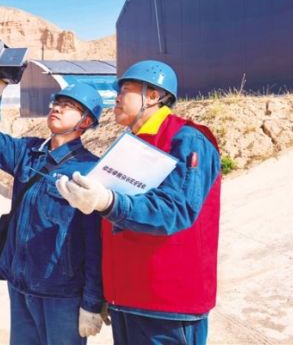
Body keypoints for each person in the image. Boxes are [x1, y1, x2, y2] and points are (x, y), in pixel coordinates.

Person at [56, 60, 221, 345]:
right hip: (127, 298)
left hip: (168, 305)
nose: (116, 98)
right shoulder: (131, 144)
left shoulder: (187, 139)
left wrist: (107, 201)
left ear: (153, 96)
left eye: (125, 90)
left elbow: (176, 210)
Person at [0, 71, 108, 345]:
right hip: (20, 285)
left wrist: (92, 302)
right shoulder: (28, 153)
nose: (57, 108)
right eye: (57, 102)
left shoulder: (90, 171)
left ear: (85, 121)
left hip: (62, 294)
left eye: (68, 105)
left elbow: (95, 243)